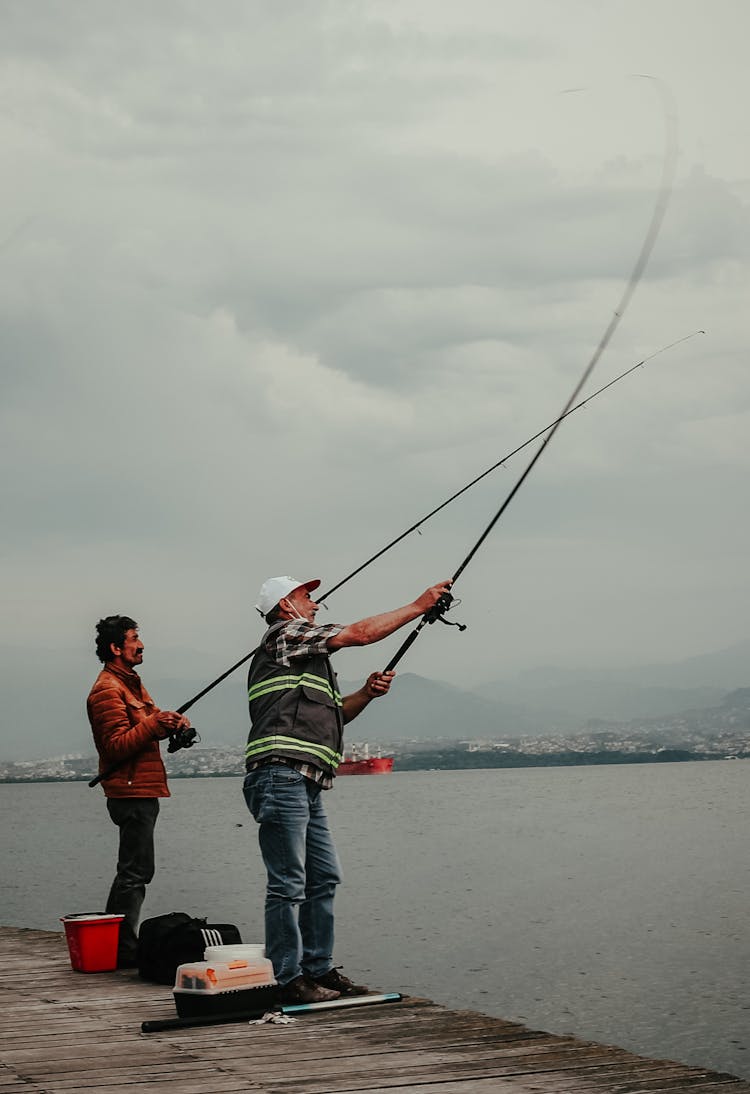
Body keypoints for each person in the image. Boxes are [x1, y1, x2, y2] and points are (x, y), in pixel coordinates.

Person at [243, 575, 452, 1004]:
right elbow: (358, 634)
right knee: (288, 883)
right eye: (307, 596)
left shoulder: (307, 658)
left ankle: (317, 970)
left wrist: (366, 694)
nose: (315, 603)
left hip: (307, 780)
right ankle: (287, 979)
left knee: (324, 876)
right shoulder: (286, 634)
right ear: (286, 605)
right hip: (280, 775)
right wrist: (417, 605)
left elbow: (337, 716)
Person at [87, 615, 191, 969]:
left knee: (135, 870)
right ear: (116, 648)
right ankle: (121, 948)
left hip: (142, 789)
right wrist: (153, 723)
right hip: (129, 793)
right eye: (134, 638)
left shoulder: (130, 684)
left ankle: (118, 943)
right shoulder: (107, 690)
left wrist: (168, 722)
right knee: (135, 872)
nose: (141, 644)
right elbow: (115, 746)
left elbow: (143, 731)